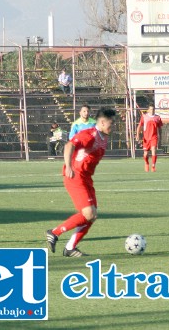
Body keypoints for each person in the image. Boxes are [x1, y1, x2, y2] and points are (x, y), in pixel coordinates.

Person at [45, 108, 116, 257]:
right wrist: (69, 166)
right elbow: (69, 145)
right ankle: (54, 232)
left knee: (92, 215)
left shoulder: (104, 137)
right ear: (102, 122)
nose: (113, 126)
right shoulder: (89, 135)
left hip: (86, 178)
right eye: (111, 123)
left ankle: (70, 247)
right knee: (89, 213)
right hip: (76, 177)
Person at [136, 103, 163, 172]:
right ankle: (147, 163)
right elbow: (140, 126)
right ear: (148, 110)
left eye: (153, 109)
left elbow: (159, 128)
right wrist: (138, 135)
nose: (152, 110)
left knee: (153, 150)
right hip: (146, 138)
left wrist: (160, 136)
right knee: (146, 154)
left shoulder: (157, 117)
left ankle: (153, 166)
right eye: (151, 109)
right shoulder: (144, 117)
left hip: (154, 137)